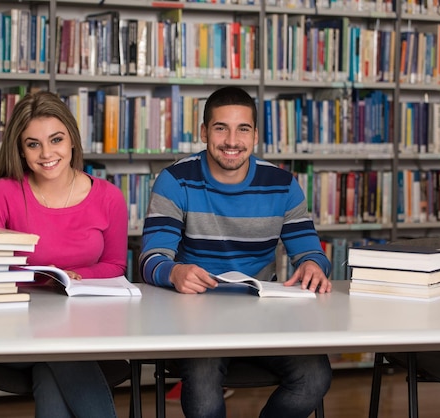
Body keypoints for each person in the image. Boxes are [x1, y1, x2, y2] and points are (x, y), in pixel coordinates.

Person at [139, 86, 332, 418]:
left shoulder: (283, 184)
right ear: (203, 132)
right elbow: (150, 259)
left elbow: (311, 253)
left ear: (255, 135)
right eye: (220, 128)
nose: (232, 140)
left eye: (243, 128)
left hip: (263, 314)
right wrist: (173, 271)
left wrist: (314, 265)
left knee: (315, 378)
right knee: (201, 394)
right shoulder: (175, 181)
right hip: (196, 316)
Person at [0, 90, 128, 418]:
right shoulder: (6, 192)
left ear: (72, 139)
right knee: (60, 348)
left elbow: (115, 266)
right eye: (33, 144)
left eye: (56, 139)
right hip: (15, 329)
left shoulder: (108, 198)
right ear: (21, 150)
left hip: (87, 328)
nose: (46, 153)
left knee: (52, 369)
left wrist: (77, 277)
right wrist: (36, 278)